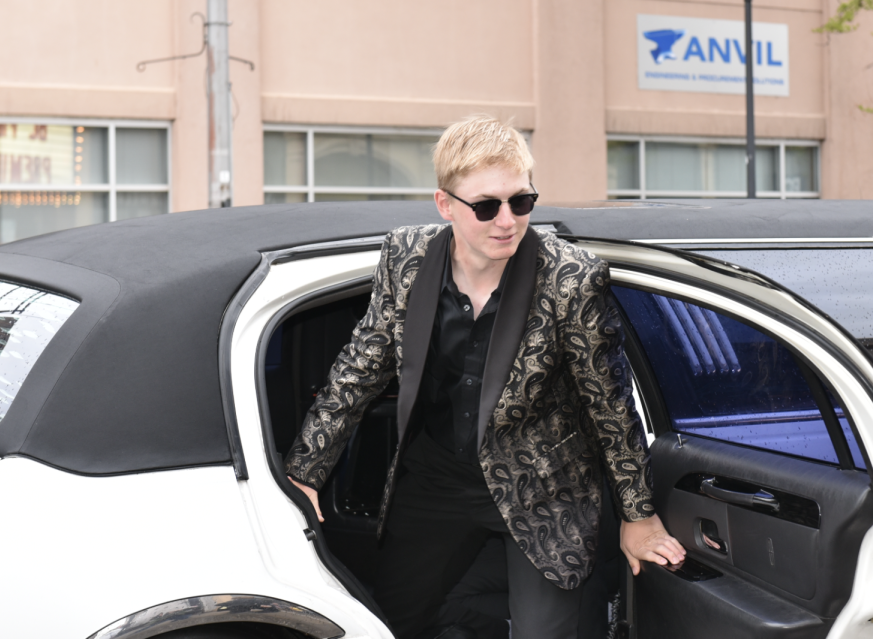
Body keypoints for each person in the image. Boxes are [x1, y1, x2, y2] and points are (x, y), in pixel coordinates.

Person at [284, 114, 685, 639]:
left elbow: (607, 403)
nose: (507, 221)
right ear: (445, 205)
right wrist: (305, 473)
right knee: (387, 621)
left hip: (544, 480)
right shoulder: (406, 257)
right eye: (487, 206)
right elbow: (360, 367)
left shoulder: (570, 278)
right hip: (438, 476)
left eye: (521, 201)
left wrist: (638, 514)